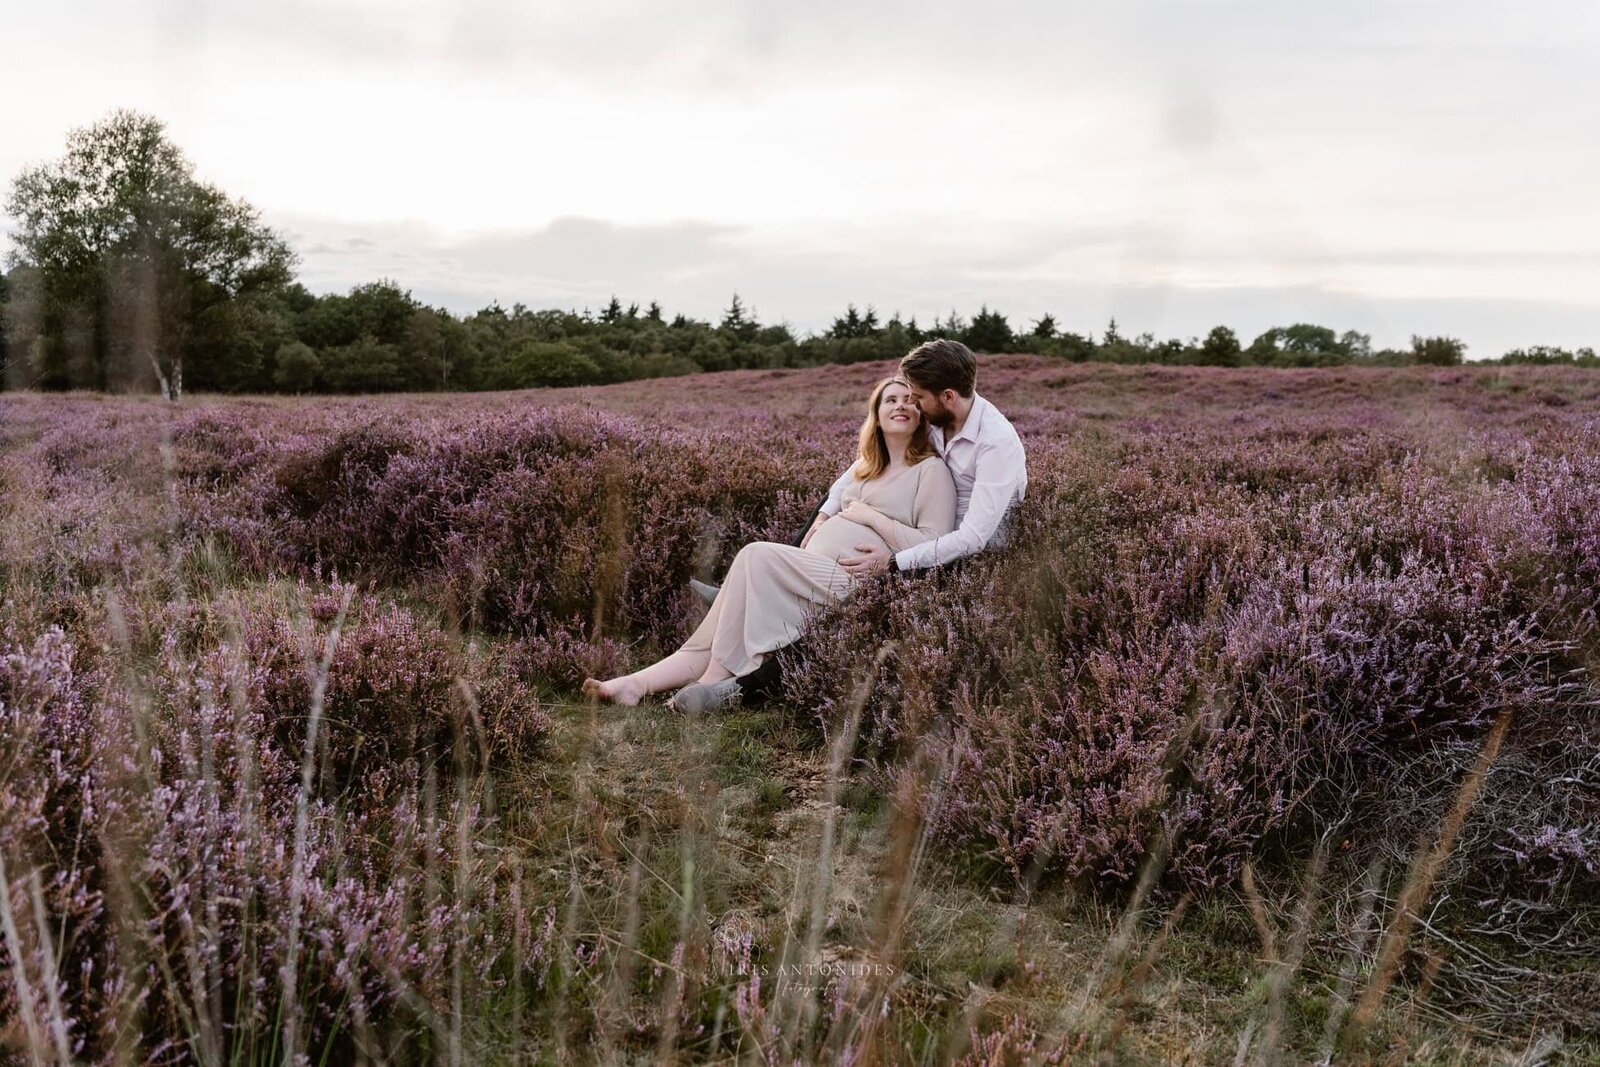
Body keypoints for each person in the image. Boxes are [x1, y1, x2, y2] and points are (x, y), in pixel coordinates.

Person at [581, 377, 957, 712]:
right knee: (715, 630)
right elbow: (834, 505)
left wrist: (870, 518)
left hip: (859, 587)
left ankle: (713, 679)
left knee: (755, 554)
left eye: (910, 400)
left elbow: (936, 545)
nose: (901, 405)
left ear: (924, 415)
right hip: (809, 579)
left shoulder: (931, 470)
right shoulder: (865, 471)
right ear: (876, 415)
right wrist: (827, 522)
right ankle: (635, 684)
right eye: (890, 400)